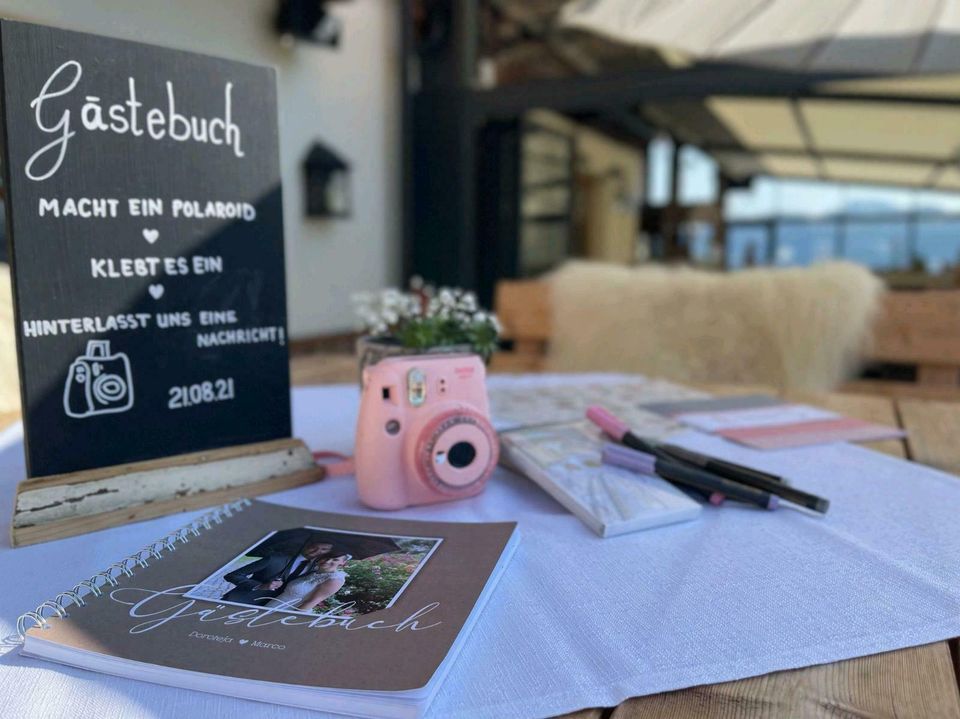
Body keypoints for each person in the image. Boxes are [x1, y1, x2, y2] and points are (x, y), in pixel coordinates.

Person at [221, 539, 334, 605]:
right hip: (242, 600)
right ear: (306, 545)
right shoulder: (274, 559)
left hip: (272, 608)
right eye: (314, 547)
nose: (317, 551)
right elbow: (233, 575)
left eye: (324, 549)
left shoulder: (315, 569)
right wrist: (259, 586)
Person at [269, 552, 352, 612]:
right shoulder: (312, 572)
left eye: (335, 559)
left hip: (288, 611)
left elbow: (312, 602)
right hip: (274, 605)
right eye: (326, 557)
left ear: (343, 562)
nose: (327, 561)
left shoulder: (335, 579)